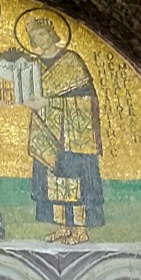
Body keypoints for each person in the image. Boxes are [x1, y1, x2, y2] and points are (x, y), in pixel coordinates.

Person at [22, 16, 104, 244]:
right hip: (46, 130)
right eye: (35, 36)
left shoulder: (71, 61)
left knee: (74, 178)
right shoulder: (33, 66)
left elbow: (88, 99)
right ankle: (62, 226)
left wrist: (49, 103)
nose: (40, 38)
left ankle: (80, 229)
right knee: (53, 178)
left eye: (43, 33)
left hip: (73, 133)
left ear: (52, 34)